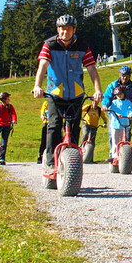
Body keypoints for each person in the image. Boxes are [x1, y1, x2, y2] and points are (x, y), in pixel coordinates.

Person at [32, 14, 103, 169]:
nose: (65, 32)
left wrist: (98, 90)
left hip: (76, 94)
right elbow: (43, 66)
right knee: (54, 125)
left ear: (74, 30)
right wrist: (38, 86)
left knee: (74, 126)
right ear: (58, 30)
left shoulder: (82, 46)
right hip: (55, 93)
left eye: (68, 29)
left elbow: (92, 69)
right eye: (62, 29)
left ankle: (72, 161)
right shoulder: (49, 44)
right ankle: (51, 162)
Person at [101, 65, 132, 162]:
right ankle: (113, 153)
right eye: (123, 75)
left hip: (127, 113)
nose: (125, 77)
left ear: (130, 76)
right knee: (113, 133)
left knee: (127, 132)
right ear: (119, 75)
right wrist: (105, 105)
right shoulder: (113, 85)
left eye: (127, 75)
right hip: (115, 113)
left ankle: (126, 155)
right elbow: (107, 96)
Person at [107, 86, 132, 162]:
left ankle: (124, 155)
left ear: (124, 94)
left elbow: (131, 110)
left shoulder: (128, 102)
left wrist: (130, 114)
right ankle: (114, 155)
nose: (119, 96)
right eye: (117, 95)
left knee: (124, 140)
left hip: (124, 124)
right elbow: (111, 111)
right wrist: (116, 114)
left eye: (120, 94)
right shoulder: (114, 103)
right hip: (115, 124)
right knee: (115, 141)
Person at [81, 96, 108, 161]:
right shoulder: (88, 107)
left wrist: (105, 123)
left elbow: (104, 118)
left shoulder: (99, 110)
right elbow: (80, 110)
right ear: (92, 102)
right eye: (94, 102)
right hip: (86, 124)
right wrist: (80, 117)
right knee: (85, 134)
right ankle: (81, 146)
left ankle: (90, 158)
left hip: (94, 126)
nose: (95, 104)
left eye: (96, 103)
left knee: (92, 141)